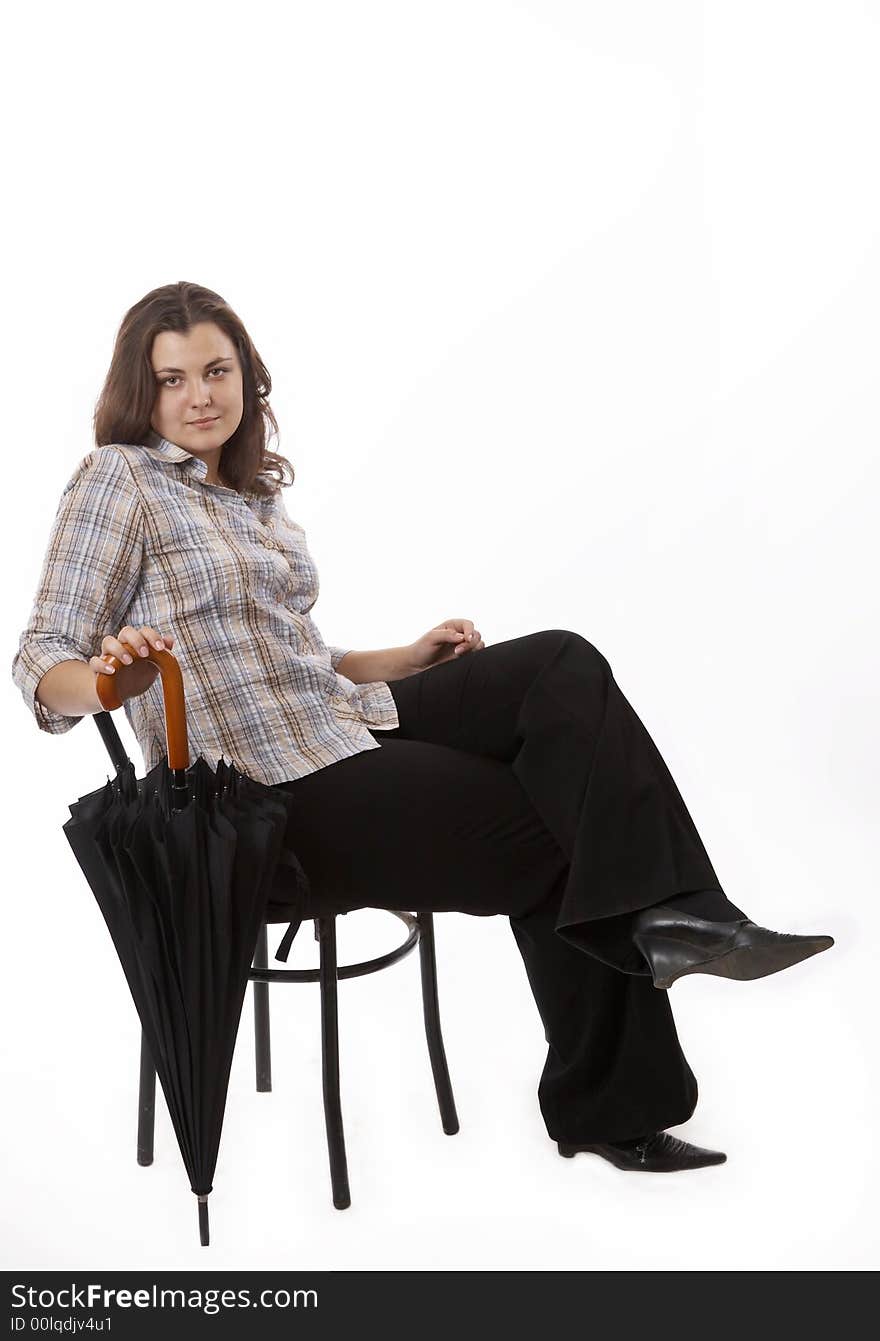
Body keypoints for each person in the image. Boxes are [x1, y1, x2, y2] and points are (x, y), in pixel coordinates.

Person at [11, 281, 833, 1176]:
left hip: (336, 721)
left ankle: (687, 919)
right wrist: (105, 680)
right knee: (564, 823)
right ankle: (619, 1088)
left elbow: (294, 658)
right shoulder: (119, 478)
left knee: (560, 664)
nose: (199, 395)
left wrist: (404, 657)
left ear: (247, 375)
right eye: (173, 380)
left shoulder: (249, 499)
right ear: (143, 390)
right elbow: (39, 659)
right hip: (262, 798)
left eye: (217, 370)